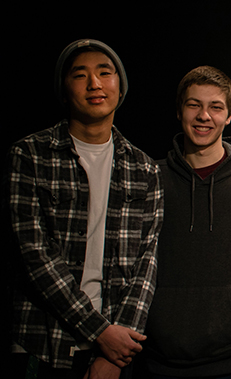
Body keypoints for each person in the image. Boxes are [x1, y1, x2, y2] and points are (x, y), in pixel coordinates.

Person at [5, 39, 163, 378]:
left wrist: (116, 352)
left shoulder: (145, 169)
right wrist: (101, 332)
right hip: (45, 341)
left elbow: (146, 264)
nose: (94, 83)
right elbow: (34, 256)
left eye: (105, 73)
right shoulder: (30, 156)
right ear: (64, 90)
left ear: (120, 88)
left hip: (117, 346)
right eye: (80, 75)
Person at [141, 66, 231, 378]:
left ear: (229, 115)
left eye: (215, 107)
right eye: (194, 105)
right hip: (158, 357)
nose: (203, 116)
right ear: (180, 111)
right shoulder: (152, 177)